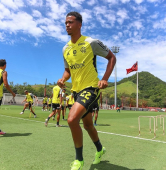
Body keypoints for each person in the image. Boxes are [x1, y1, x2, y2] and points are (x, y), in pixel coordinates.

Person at [57, 11, 116, 170]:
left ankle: (79, 160)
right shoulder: (65, 49)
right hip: (76, 92)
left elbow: (112, 57)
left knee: (71, 120)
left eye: (70, 22)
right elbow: (68, 70)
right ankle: (100, 149)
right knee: (88, 125)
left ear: (79, 24)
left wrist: (104, 79)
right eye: (65, 23)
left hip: (90, 88)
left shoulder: (91, 42)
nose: (67, 25)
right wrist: (63, 79)